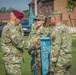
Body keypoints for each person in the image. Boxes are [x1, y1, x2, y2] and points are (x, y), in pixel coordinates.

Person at [1, 10, 27, 75]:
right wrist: (33, 43)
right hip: (12, 61)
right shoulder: (10, 29)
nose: (20, 21)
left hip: (12, 60)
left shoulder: (10, 27)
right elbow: (20, 43)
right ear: (16, 19)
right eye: (20, 19)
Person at [48, 10, 72, 75]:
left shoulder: (56, 30)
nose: (50, 20)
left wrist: (52, 65)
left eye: (51, 18)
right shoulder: (66, 28)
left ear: (55, 18)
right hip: (67, 59)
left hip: (60, 61)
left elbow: (55, 49)